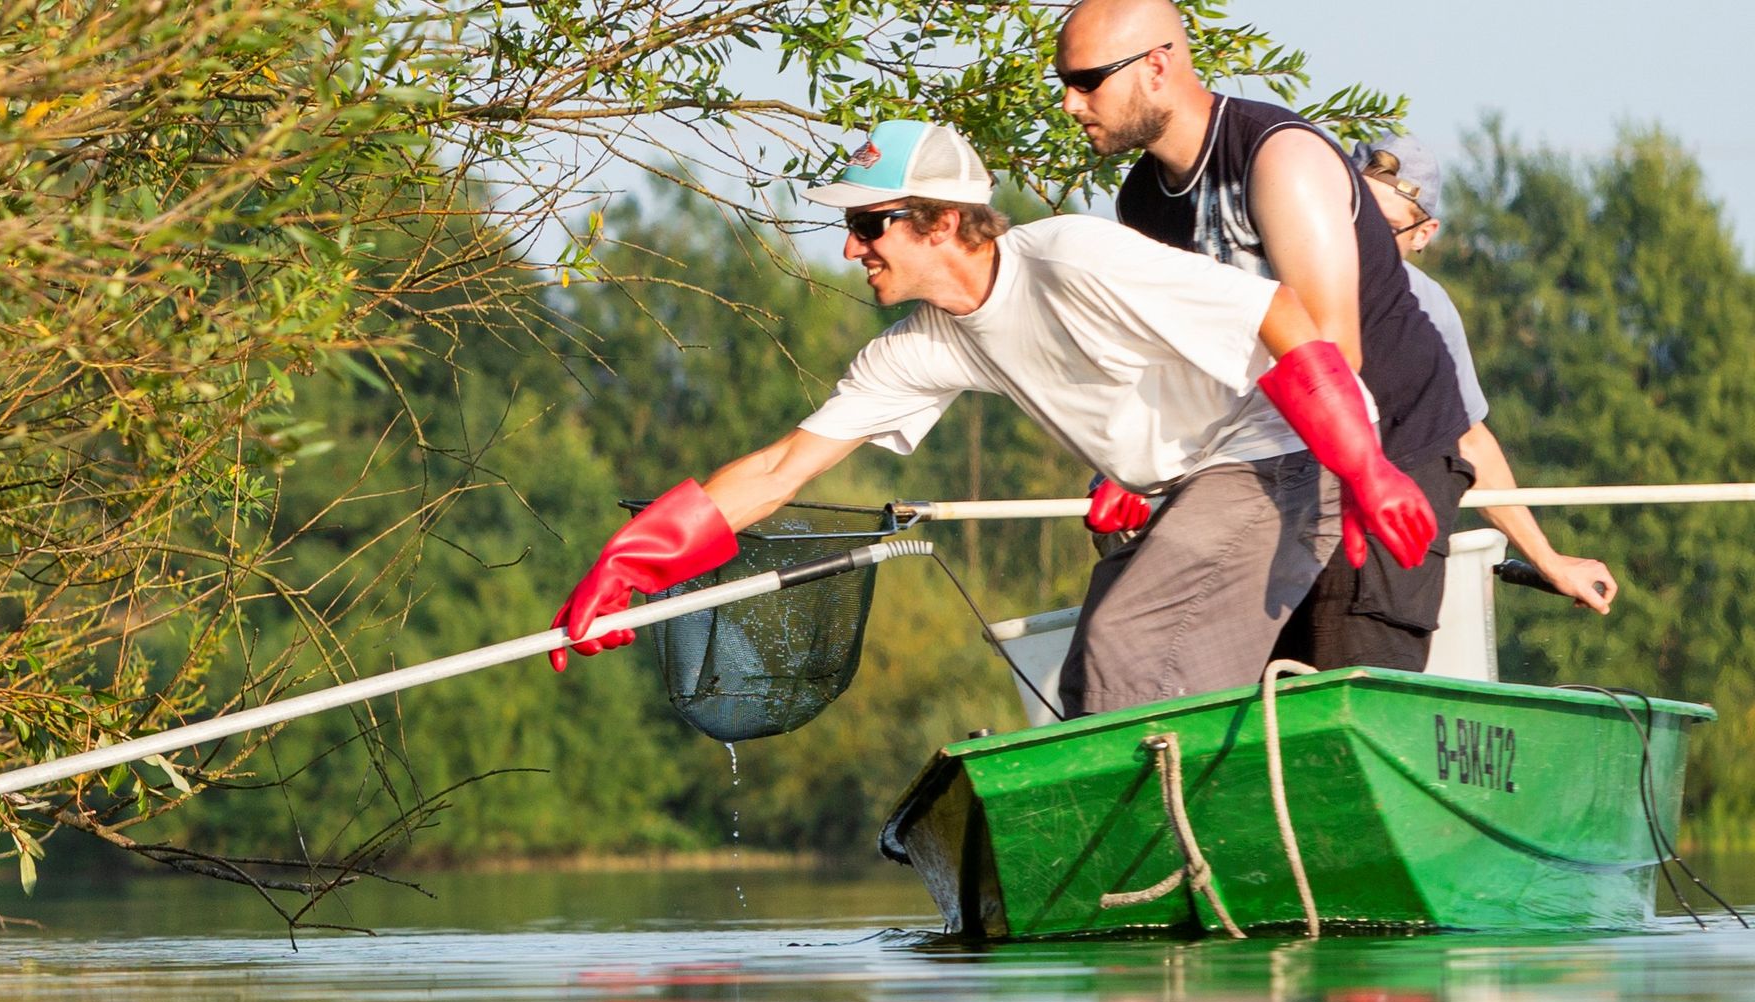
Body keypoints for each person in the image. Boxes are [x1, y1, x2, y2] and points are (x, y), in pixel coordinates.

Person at [545, 120, 1436, 717]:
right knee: (1102, 667)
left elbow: (1282, 316)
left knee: (1125, 645)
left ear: (937, 222)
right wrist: (631, 565)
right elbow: (782, 469)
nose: (850, 247)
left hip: (1289, 451)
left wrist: (1363, 464)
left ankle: (1168, 864)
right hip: (1194, 482)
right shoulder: (921, 348)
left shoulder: (1074, 256)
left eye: (868, 223)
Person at [1055, 0, 1476, 672]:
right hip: (1269, 445)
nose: (1072, 105)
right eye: (1064, 84)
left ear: (1157, 65)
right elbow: (1176, 362)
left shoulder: (1279, 157)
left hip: (1387, 445)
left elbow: (1335, 353)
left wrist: (1354, 470)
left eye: (1087, 81)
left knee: (1335, 681)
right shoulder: (1141, 203)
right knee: (1208, 665)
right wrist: (1131, 460)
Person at [1351, 135, 1618, 613]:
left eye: (1385, 227)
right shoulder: (1281, 270)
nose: (1364, 240)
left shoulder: (1431, 310)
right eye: (1357, 218)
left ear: (1424, 234)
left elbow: (1469, 440)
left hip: (1378, 562)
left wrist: (1548, 559)